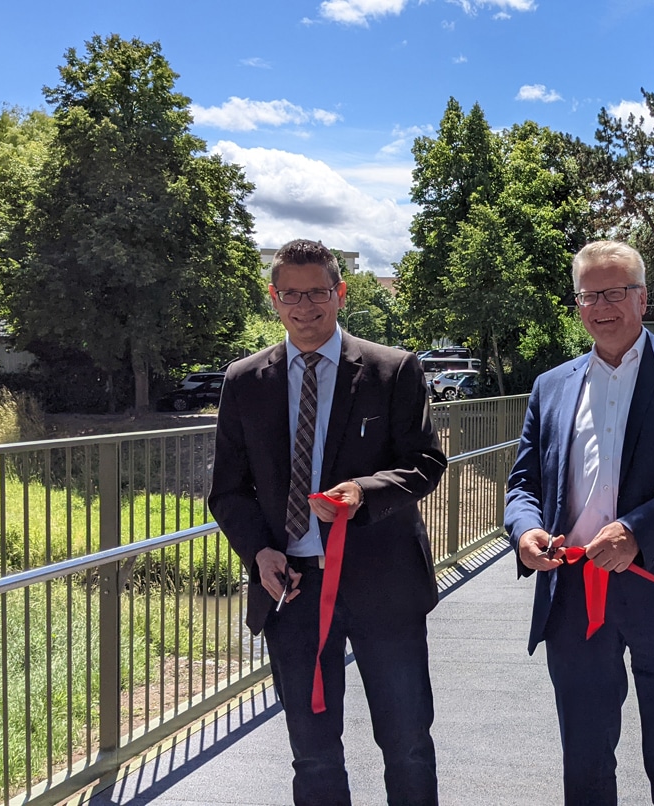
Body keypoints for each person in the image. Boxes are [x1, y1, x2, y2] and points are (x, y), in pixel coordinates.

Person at [209, 239, 445, 806]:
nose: (304, 305)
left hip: (383, 583)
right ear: (274, 299)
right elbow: (227, 491)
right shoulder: (244, 381)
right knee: (312, 752)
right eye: (291, 294)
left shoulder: (393, 370)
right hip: (291, 590)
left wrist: (364, 492)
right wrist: (260, 552)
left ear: (340, 293)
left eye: (317, 291)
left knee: (407, 741)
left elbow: (426, 463)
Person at [505, 240, 654, 805]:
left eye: (615, 292)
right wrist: (524, 530)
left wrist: (637, 531)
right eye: (590, 295)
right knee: (584, 761)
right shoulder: (551, 385)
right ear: (579, 305)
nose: (602, 306)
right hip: (575, 595)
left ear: (643, 298)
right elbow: (524, 482)